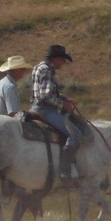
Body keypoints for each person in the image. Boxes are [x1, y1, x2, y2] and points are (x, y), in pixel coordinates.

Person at [31, 44, 79, 183]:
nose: (63, 63)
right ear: (56, 59)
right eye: (63, 60)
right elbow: (45, 96)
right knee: (74, 134)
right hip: (44, 109)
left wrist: (63, 97)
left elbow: (43, 91)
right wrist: (63, 105)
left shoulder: (39, 66)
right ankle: (65, 169)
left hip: (36, 106)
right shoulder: (47, 70)